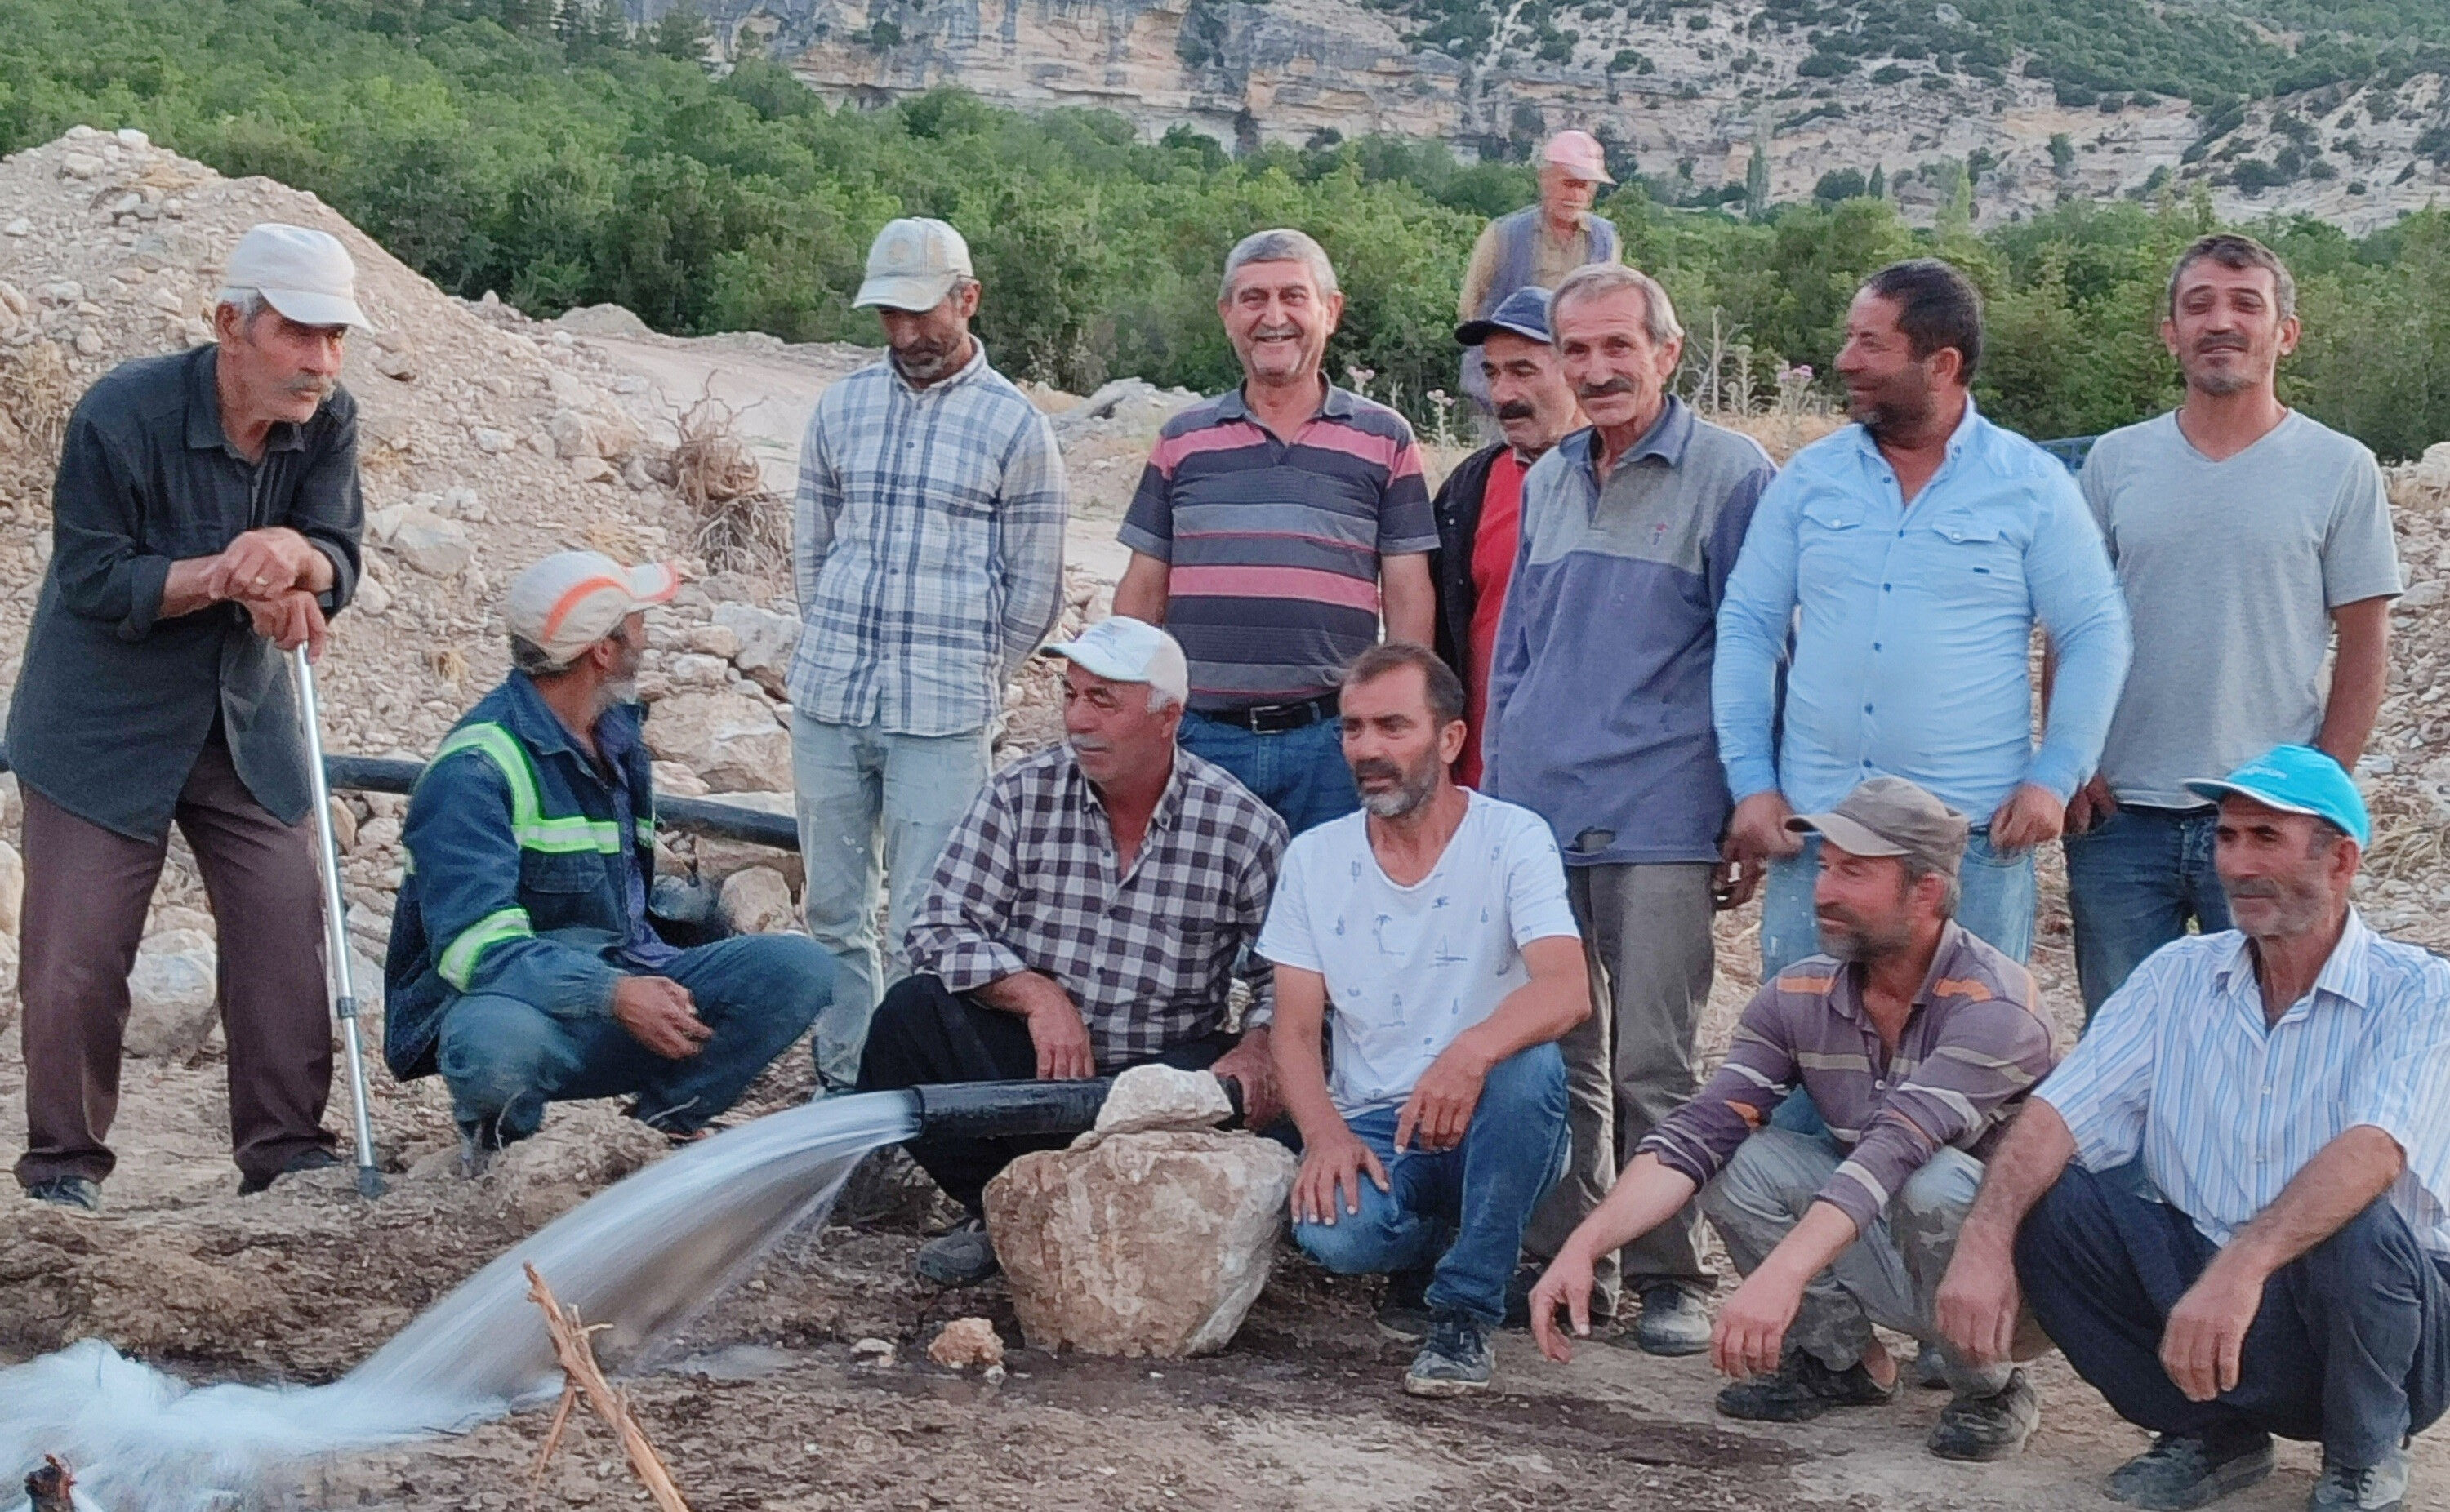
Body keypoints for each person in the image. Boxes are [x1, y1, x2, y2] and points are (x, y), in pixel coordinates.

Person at [1938, 746, 2450, 1512]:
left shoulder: (2422, 991)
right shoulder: (2177, 975)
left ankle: (2362, 1458)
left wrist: (2242, 1265)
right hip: (2211, 1304)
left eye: (2266, 839)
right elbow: (2059, 1112)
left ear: (2341, 861)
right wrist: (1984, 1240)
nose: (2236, 864)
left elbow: (2374, 1149)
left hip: (2381, 1324)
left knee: (2357, 1221)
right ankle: (2208, 1434)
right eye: (2227, 837)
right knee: (2047, 1201)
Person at [1528, 776, 2055, 1461]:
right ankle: (1843, 1363)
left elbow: (1896, 1147)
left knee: (1930, 1178)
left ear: (1925, 893)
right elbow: (1699, 1132)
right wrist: (1585, 1245)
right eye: (1825, 866)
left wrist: (1779, 1277)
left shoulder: (1997, 1005)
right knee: (1731, 1160)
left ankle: (1990, 1386)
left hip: (2022, 1281)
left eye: (1853, 872)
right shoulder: (1799, 992)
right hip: (1889, 1230)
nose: (1823, 890)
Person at [10, 224, 368, 1211]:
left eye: (336, 337)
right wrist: (229, 576)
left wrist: (296, 560)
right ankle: (63, 1172)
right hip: (99, 724)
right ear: (230, 325)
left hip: (241, 716)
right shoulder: (121, 413)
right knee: (75, 957)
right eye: (299, 334)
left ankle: (287, 1153)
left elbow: (338, 554)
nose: (321, 362)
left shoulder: (327, 420)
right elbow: (94, 580)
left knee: (284, 925)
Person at [1482, 262, 1779, 1354]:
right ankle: (1574, 1266)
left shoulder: (1733, 473)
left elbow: (1760, 649)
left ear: (1668, 351)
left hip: (1661, 810)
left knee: (1655, 1058)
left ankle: (1671, 1273)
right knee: (1561, 1054)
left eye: (1621, 346)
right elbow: (1517, 655)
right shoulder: (1550, 476)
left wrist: (1751, 796)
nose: (1599, 369)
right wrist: (1497, 805)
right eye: (1579, 350)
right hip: (1539, 812)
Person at [1716, 257, 2132, 980]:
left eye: (1871, 344)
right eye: (1850, 338)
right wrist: (1750, 781)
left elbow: (2095, 632)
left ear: (1942, 365)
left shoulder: (2030, 485)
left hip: (1968, 846)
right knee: (1806, 1043)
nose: (1846, 360)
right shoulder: (1810, 480)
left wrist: (2056, 777)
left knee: (1971, 1041)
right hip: (1818, 840)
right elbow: (1750, 625)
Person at [858, 616, 1288, 1285]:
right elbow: (939, 927)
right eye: (1070, 695)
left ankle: (1118, 1231)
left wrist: (1260, 1044)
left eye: (1103, 701)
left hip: (1158, 1080)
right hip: (1033, 1067)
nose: (1078, 720)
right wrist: (1036, 995)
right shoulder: (1021, 794)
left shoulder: (1241, 826)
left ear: (1168, 717)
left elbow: (1287, 975)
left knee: (1260, 1079)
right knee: (908, 1020)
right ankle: (1003, 1208)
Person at [385, 553, 835, 1173]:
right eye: (638, 624)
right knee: (493, 1046)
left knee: (800, 969)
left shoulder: (614, 737)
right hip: (527, 1008)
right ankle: (507, 1160)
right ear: (602, 650)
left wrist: (637, 984)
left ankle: (654, 1137)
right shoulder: (475, 771)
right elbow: (475, 950)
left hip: (620, 979)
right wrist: (613, 994)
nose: (646, 639)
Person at [2064, 234, 2399, 1021]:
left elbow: (2365, 641)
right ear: (2170, 332)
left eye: (2247, 304)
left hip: (2267, 818)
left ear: (2286, 333)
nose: (2221, 322)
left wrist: (2318, 785)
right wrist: (2075, 759)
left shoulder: (2340, 467)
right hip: (2120, 822)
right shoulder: (2114, 462)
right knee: (2124, 1042)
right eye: (2199, 305)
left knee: (2276, 1034)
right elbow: (2079, 623)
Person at [1266, 643, 1590, 1398]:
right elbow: (1293, 1029)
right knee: (1334, 1233)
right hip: (1380, 1120)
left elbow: (1568, 989)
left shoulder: (1513, 837)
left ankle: (1464, 1313)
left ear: (1450, 740)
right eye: (1353, 728)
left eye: (1393, 727)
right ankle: (1439, 1248)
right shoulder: (1314, 859)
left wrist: (1470, 1053)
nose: (1367, 749)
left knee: (1532, 1066)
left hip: (1494, 1117)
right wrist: (1326, 1136)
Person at [790, 216, 1068, 1090]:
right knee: (833, 913)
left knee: (927, 922)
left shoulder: (1016, 427)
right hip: (831, 698)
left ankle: (907, 1102)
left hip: (942, 715)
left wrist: (973, 668)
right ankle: (844, 1086)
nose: (906, 333)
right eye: (890, 314)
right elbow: (812, 547)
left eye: (922, 313)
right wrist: (835, 632)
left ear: (968, 299)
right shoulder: (841, 406)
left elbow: (1035, 589)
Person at [1111, 229, 1438, 835]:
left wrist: (1399, 718)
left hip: (1330, 744)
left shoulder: (1385, 438)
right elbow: (1143, 588)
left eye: (1293, 296)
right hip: (1201, 739)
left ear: (1330, 311)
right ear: (1227, 314)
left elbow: (1408, 592)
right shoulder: (1183, 439)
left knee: (1332, 895)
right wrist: (1126, 707)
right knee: (1199, 898)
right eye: (1253, 298)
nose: (1273, 317)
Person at [1428, 285, 1582, 788]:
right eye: (1492, 373)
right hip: (1484, 780)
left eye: (1523, 371)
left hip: (1602, 789)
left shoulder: (1635, 483)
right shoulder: (1468, 490)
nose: (1501, 395)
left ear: (1575, 368)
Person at [1455, 131, 1623, 416]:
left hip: (1573, 387)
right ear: (1545, 179)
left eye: (1585, 186)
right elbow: (1471, 305)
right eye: (1569, 183)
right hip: (1505, 387)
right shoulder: (1503, 235)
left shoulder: (1606, 238)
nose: (1577, 195)